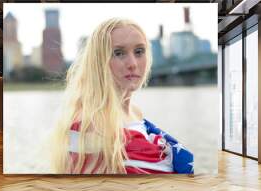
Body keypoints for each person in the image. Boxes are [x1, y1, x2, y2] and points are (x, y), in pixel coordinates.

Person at [48, 18, 193, 174]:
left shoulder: (136, 114)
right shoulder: (89, 123)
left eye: (139, 52)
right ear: (99, 61)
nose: (132, 63)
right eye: (118, 53)